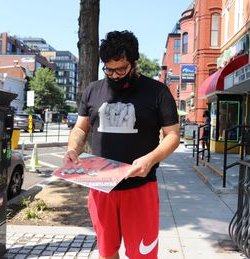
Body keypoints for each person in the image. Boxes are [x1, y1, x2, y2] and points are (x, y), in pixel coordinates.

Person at [63, 30, 180, 259]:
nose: (115, 75)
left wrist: (150, 159)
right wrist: (73, 148)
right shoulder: (93, 90)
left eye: (121, 69)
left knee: (142, 255)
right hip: (101, 188)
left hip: (140, 187)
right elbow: (80, 128)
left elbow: (172, 135)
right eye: (109, 69)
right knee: (107, 253)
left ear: (134, 62)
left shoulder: (157, 92)